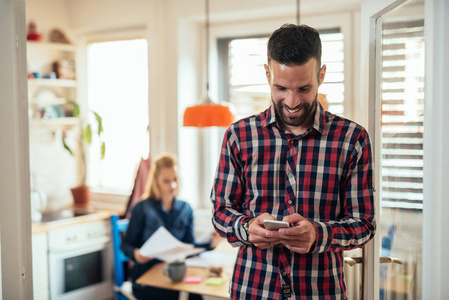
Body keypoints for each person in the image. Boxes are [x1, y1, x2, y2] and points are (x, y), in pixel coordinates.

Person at [211, 24, 375, 299]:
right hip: (252, 289)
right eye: (281, 87)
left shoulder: (352, 139)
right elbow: (220, 212)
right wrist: (246, 228)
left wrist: (318, 234)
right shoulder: (238, 136)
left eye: (304, 88)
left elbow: (364, 224)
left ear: (321, 75)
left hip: (321, 292)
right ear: (267, 74)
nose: (292, 101)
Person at [121, 153, 221, 300]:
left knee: (196, 296)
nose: (172, 185)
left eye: (175, 179)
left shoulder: (186, 209)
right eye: (166, 181)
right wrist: (136, 254)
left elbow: (188, 247)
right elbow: (126, 245)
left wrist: (211, 243)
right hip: (146, 275)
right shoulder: (141, 208)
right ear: (156, 181)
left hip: (175, 273)